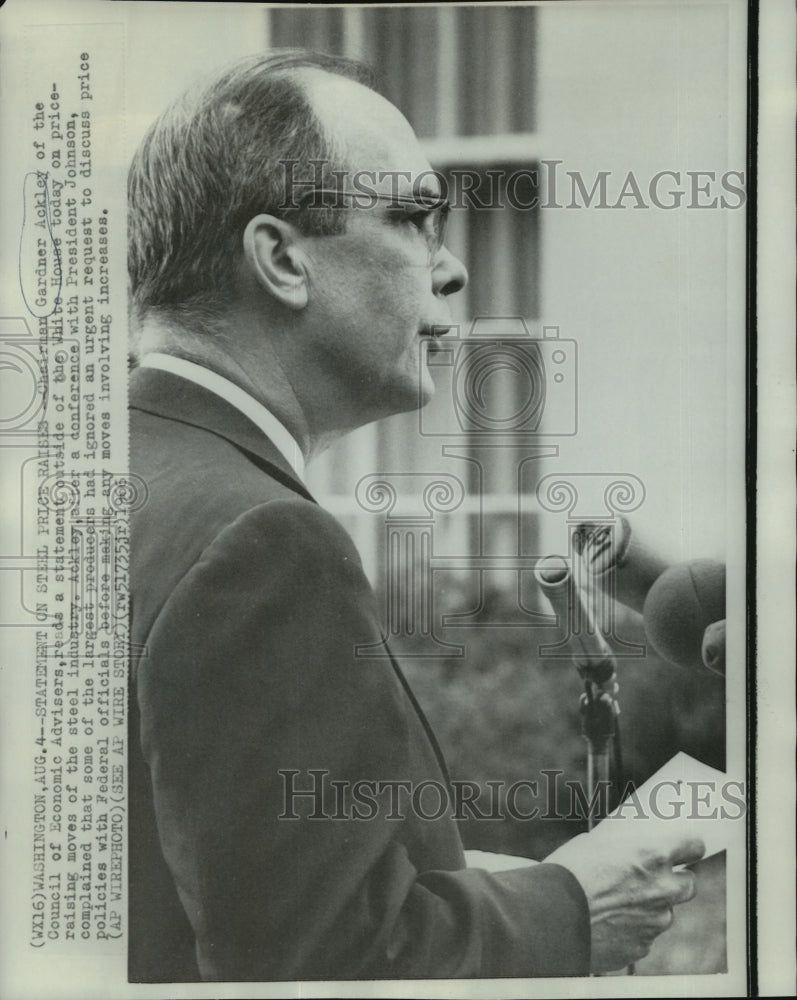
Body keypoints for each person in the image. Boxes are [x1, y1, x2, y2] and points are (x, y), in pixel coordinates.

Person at [127, 50, 703, 983]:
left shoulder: (99, 479)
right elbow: (320, 963)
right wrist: (571, 907)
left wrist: (457, 881)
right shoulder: (264, 542)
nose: (455, 270)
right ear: (280, 258)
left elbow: (214, 893)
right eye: (409, 218)